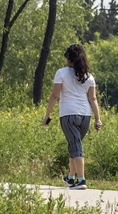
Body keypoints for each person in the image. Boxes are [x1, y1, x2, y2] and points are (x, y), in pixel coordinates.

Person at [42, 44, 102, 190]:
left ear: (69, 58)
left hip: (68, 114)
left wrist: (47, 115)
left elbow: (55, 95)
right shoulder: (88, 76)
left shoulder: (61, 73)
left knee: (76, 146)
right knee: (74, 145)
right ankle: (70, 177)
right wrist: (97, 118)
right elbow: (93, 99)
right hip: (85, 117)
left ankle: (81, 180)